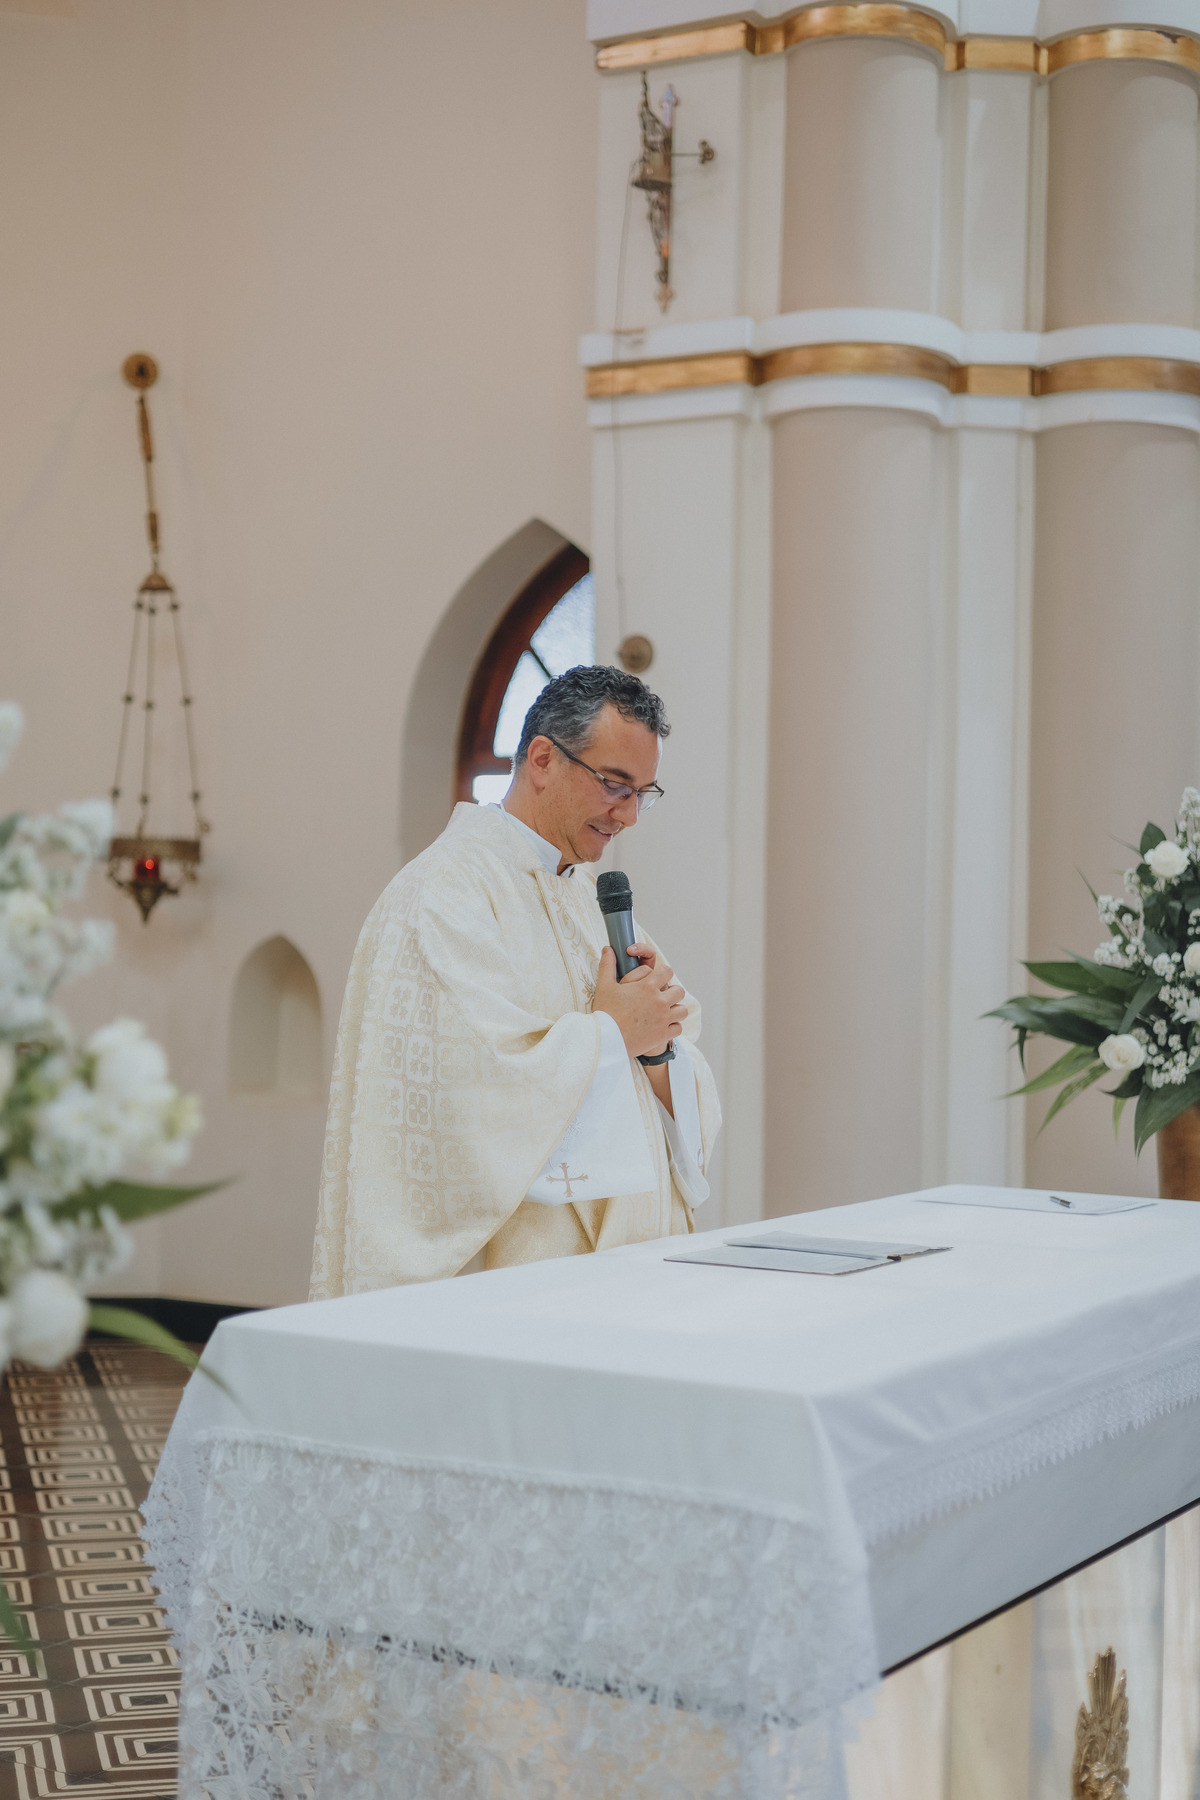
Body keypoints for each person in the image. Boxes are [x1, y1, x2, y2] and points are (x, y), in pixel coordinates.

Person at [310, 664, 720, 1295]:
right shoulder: (443, 894)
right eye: (616, 785)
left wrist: (657, 1050)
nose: (631, 815)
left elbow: (668, 1046)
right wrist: (614, 1035)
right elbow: (463, 1096)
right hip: (514, 1285)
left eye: (644, 792)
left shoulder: (588, 899)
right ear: (542, 759)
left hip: (627, 1274)